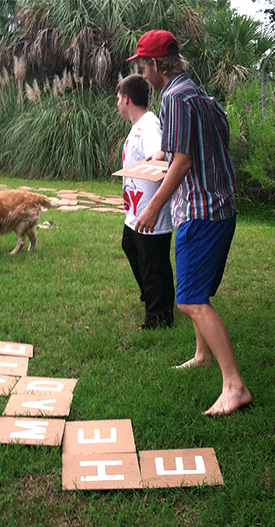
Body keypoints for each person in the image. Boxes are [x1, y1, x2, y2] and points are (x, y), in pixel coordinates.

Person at [128, 30, 252, 415]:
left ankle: (235, 386)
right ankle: (202, 353)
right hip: (220, 208)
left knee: (191, 301)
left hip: (200, 212)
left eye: (143, 67)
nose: (143, 76)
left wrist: (151, 209)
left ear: (156, 65)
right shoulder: (200, 95)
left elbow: (181, 163)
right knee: (198, 290)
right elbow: (202, 149)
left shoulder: (175, 99)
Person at [116, 74, 174, 330]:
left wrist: (157, 156)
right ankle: (151, 295)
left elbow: (160, 151)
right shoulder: (138, 125)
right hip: (136, 211)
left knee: (153, 263)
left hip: (151, 211)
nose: (117, 103)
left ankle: (159, 316)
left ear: (127, 99)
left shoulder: (149, 125)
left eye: (118, 98)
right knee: (130, 246)